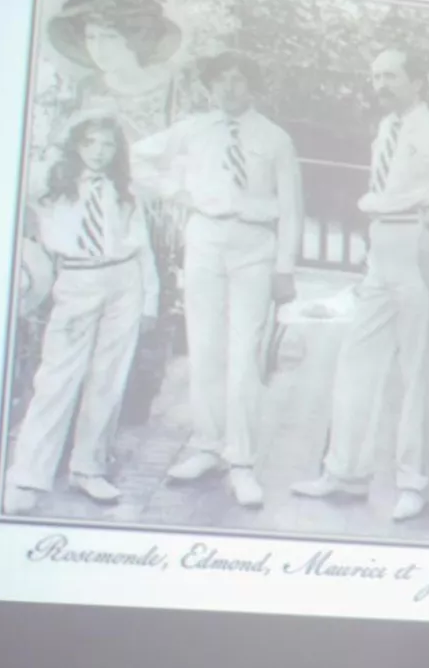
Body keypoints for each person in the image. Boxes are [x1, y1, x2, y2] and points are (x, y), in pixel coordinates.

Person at [290, 43, 429, 522]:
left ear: (417, 82)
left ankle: (415, 482)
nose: (381, 85)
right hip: (382, 252)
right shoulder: (388, 128)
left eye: (391, 76)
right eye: (377, 76)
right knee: (356, 361)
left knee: (418, 372)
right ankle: (344, 470)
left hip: (417, 248)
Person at [130, 51, 303, 507]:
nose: (230, 88)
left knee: (245, 353)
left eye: (239, 80)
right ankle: (207, 447)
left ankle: (241, 460)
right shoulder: (192, 129)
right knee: (204, 347)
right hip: (205, 237)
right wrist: (178, 191)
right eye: (222, 80)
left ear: (252, 86)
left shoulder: (275, 138)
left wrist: (285, 267)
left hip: (254, 245)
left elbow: (292, 207)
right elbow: (138, 157)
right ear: (211, 87)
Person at [4, 111, 158, 514]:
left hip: (123, 281)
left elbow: (141, 245)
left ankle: (88, 468)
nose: (99, 152)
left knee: (108, 379)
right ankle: (28, 475)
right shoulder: (52, 183)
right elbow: (11, 172)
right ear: (75, 144)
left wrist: (151, 300)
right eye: (90, 142)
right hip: (76, 280)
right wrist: (57, 146)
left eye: (108, 144)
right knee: (57, 377)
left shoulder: (123, 189)